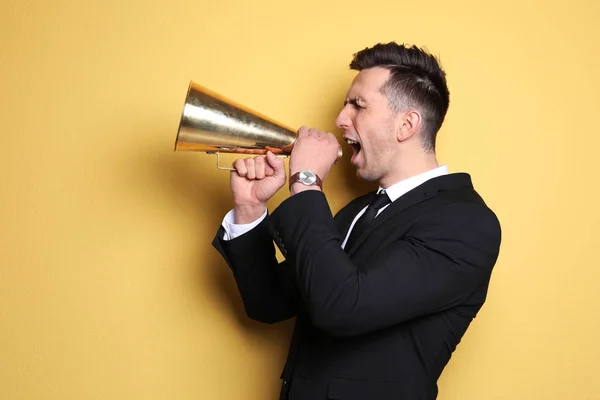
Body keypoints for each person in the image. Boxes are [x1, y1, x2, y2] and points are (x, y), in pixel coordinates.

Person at [212, 42, 502, 400]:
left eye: (358, 105)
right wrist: (250, 209)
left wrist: (305, 182)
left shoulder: (466, 223)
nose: (340, 119)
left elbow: (343, 307)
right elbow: (269, 303)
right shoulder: (358, 212)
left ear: (406, 124)